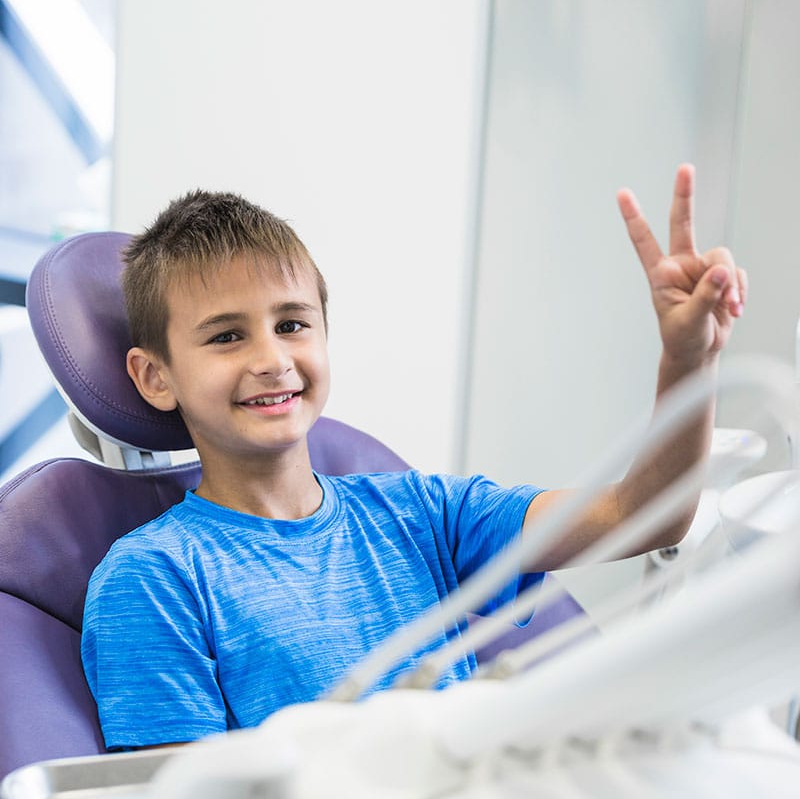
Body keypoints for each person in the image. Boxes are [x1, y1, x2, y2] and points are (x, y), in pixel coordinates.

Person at [81, 164, 746, 750]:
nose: (273, 359)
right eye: (227, 336)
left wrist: (688, 361)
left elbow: (645, 515)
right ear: (155, 377)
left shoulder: (420, 514)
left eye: (292, 324)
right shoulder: (154, 578)